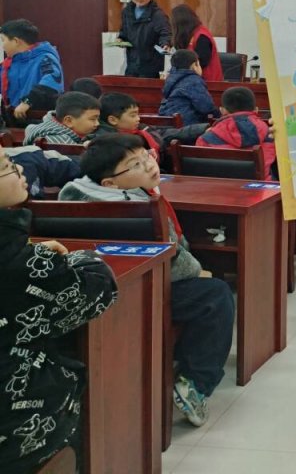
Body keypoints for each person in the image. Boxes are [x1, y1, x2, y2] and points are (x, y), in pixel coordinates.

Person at [58, 134, 235, 427]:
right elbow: (173, 262)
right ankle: (196, 383)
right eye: (136, 164)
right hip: (140, 293)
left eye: (146, 156)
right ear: (110, 184)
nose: (150, 165)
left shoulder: (68, 198)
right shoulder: (143, 209)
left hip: (89, 296)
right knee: (216, 295)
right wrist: (197, 271)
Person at [0, 149, 117, 474]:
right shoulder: (21, 263)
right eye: (7, 166)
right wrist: (78, 259)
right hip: (14, 416)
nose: (20, 170)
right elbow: (95, 290)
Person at [197, 86, 275, 179]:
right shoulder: (272, 134)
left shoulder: (205, 139)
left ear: (222, 110)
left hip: (218, 187)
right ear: (256, 110)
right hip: (263, 186)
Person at [0, 18, 64, 124]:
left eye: (3, 40)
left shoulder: (45, 58)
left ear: (16, 41)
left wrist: (27, 102)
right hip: (11, 119)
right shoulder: (7, 64)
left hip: (39, 121)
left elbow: (51, 83)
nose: (2, 45)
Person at [116, 0, 171, 78]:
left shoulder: (157, 14)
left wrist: (166, 44)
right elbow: (124, 30)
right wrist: (120, 39)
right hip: (132, 62)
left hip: (152, 64)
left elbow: (165, 32)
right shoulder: (126, 12)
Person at [159, 50, 219, 126]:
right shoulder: (194, 80)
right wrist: (221, 115)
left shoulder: (170, 78)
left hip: (168, 123)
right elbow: (206, 107)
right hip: (186, 124)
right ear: (194, 65)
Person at [2, 141, 80, 198]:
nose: (20, 168)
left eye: (10, 163)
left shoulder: (27, 157)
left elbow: (77, 168)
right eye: (6, 166)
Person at [24, 91, 100, 145]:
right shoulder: (61, 144)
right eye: (92, 119)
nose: (97, 124)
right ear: (69, 121)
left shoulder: (43, 129)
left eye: (97, 119)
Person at [171, 4, 223, 82]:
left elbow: (201, 62)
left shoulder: (202, 36)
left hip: (208, 82)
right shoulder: (189, 35)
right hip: (193, 80)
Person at [97, 91, 163, 153]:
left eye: (138, 114)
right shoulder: (109, 143)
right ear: (113, 120)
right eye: (133, 115)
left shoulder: (142, 130)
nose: (138, 119)